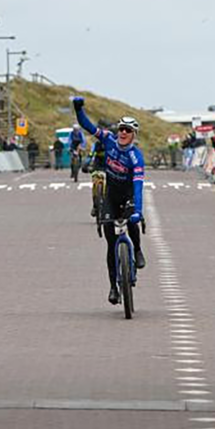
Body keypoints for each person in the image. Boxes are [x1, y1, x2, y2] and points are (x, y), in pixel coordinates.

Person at [73, 96, 145, 305]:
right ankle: (113, 286)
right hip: (111, 197)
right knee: (111, 244)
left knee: (132, 223)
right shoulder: (108, 139)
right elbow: (88, 126)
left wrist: (138, 210)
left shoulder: (136, 157)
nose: (123, 133)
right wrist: (79, 110)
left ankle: (138, 250)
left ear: (134, 135)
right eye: (121, 128)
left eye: (128, 131)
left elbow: (139, 186)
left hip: (129, 196)